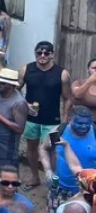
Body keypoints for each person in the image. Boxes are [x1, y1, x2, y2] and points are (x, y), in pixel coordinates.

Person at [19, 41, 71, 189]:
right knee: (31, 147)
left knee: (53, 149)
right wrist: (25, 104)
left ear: (52, 55)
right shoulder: (26, 69)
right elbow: (15, 90)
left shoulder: (62, 73)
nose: (42, 56)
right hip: (31, 118)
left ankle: (53, 179)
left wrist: (65, 119)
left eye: (46, 53)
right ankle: (35, 177)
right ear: (35, 53)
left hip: (53, 120)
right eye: (39, 53)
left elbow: (68, 98)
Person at [39, 105, 96, 213]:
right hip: (60, 186)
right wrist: (48, 170)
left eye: (87, 123)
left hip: (88, 190)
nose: (84, 127)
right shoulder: (59, 131)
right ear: (70, 120)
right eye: (79, 123)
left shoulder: (95, 133)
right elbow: (44, 149)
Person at [0, 68, 28, 165]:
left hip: (6, 152)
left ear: (12, 86)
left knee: (6, 178)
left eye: (3, 83)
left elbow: (20, 129)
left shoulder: (19, 103)